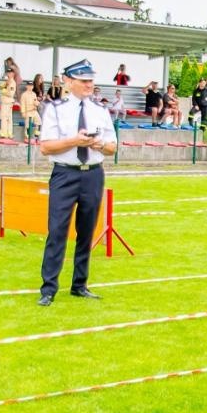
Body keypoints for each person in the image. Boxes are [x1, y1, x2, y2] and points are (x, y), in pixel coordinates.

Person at [35, 59, 118, 307]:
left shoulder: (100, 111)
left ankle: (79, 284)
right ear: (69, 82)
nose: (89, 85)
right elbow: (46, 147)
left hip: (92, 173)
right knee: (57, 230)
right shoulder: (55, 109)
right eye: (84, 81)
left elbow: (112, 147)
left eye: (91, 80)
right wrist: (74, 141)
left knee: (86, 231)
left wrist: (98, 145)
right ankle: (49, 288)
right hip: (65, 174)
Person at [0, 70, 18, 139]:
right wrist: (3, 86)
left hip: (7, 102)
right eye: (8, 72)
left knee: (4, 118)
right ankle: (8, 134)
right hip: (5, 102)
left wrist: (3, 90)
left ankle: (5, 134)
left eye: (10, 73)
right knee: (7, 118)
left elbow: (10, 93)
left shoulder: (12, 83)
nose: (8, 74)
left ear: (13, 74)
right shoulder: (7, 81)